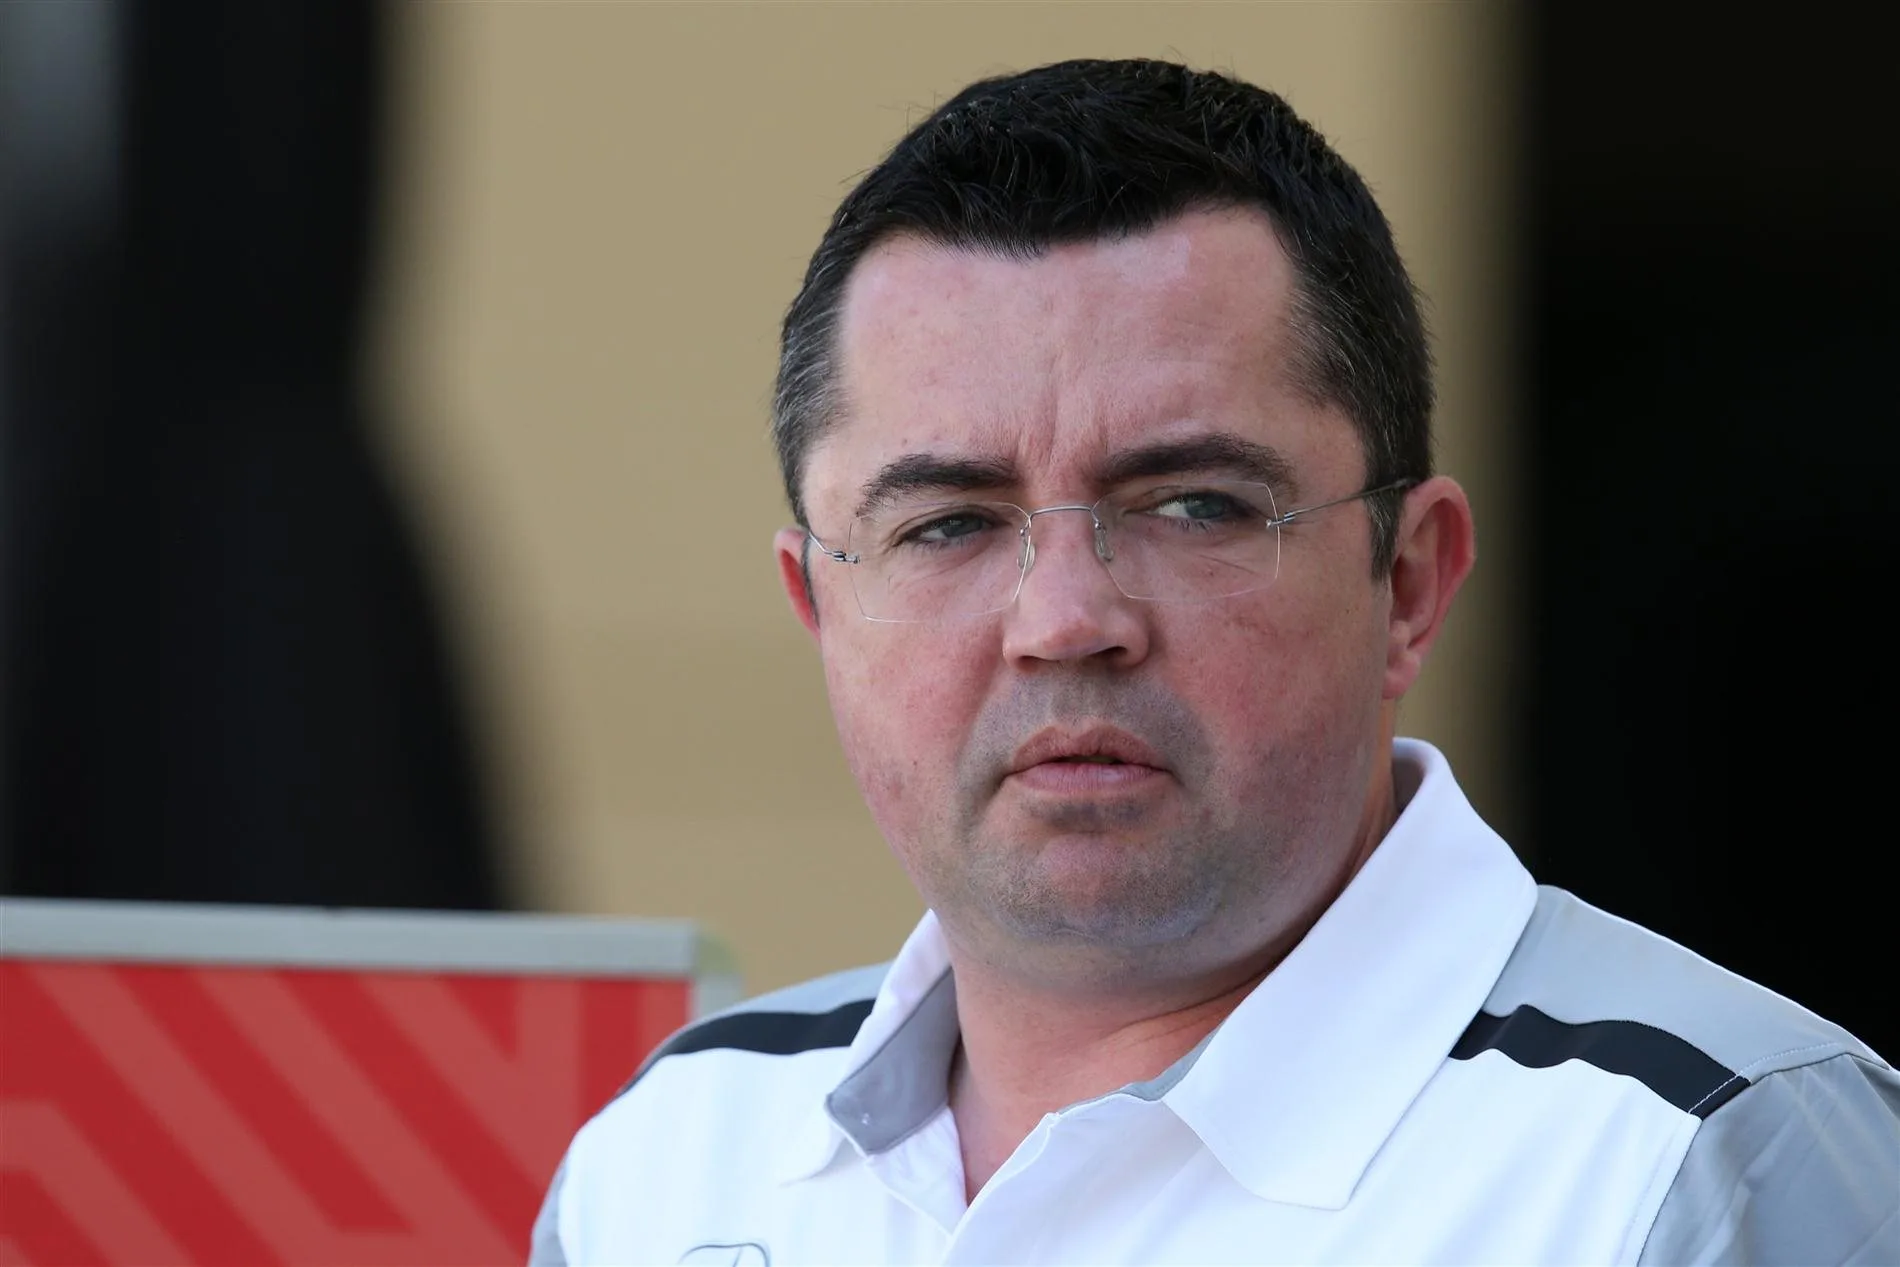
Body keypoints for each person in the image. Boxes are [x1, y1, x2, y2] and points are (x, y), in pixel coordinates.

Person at [532, 59, 1899, 1265]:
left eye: (1193, 504)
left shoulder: (1702, 1163)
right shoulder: (668, 1164)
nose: (1065, 617)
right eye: (947, 522)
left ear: (1410, 581)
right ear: (819, 606)